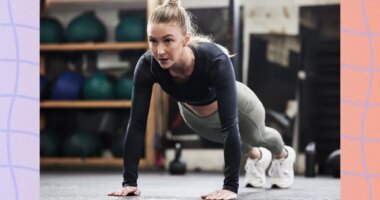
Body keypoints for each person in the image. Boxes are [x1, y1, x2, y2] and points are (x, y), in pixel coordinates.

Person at [108, 0, 296, 199]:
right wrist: (129, 182)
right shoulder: (147, 65)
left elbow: (230, 124)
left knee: (258, 136)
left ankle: (282, 155)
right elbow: (137, 124)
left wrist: (230, 187)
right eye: (153, 41)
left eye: (168, 40)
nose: (160, 51)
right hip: (194, 114)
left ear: (185, 39)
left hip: (240, 106)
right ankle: (257, 157)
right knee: (238, 142)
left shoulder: (214, 59)